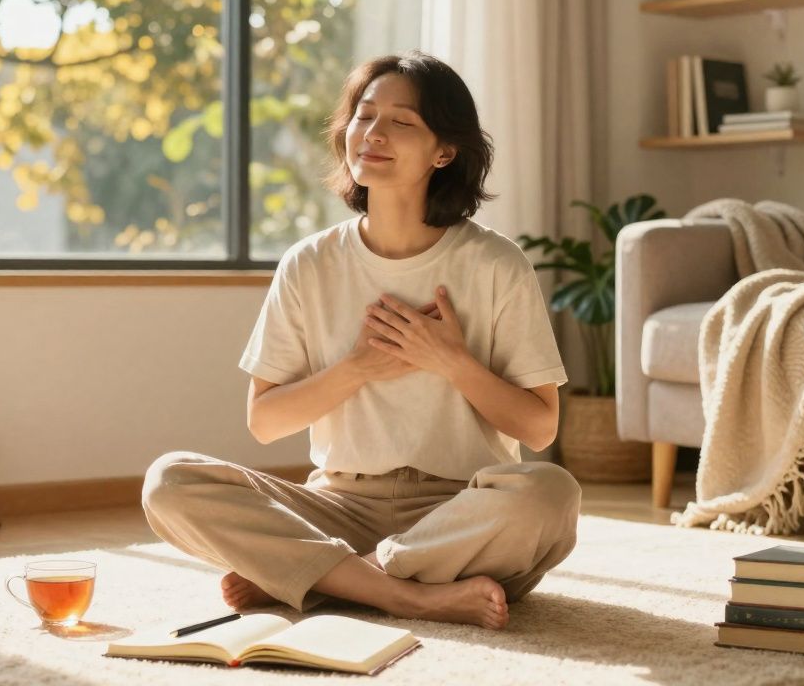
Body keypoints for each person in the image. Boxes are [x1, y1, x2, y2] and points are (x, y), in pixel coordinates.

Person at [142, 52, 580, 631]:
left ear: (444, 151)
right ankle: (406, 595)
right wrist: (358, 367)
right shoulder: (309, 263)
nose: (373, 133)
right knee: (170, 481)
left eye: (402, 122)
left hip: (460, 513)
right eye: (364, 116)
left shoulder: (496, 264)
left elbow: (539, 428)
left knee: (549, 494)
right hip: (337, 506)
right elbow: (265, 421)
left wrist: (449, 360)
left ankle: (325, 577)